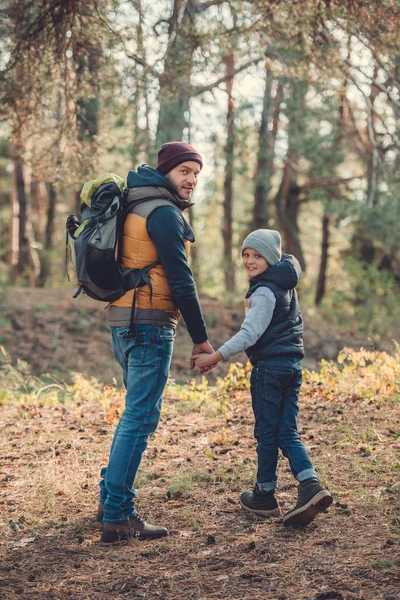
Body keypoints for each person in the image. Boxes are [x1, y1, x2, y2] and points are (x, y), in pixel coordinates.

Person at [99, 142, 213, 543]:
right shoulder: (162, 213)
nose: (192, 180)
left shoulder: (135, 203)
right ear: (166, 172)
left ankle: (108, 500)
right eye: (184, 171)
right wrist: (201, 339)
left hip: (123, 319)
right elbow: (182, 281)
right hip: (148, 322)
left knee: (133, 415)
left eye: (196, 173)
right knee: (140, 419)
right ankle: (117, 513)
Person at [193, 229, 333, 527]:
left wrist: (216, 355)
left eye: (257, 255)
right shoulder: (285, 286)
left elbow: (250, 333)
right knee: (286, 431)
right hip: (292, 366)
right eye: (245, 254)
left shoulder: (264, 292)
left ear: (271, 259)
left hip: (269, 370)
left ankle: (265, 495)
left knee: (268, 433)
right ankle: (310, 483)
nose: (249, 260)